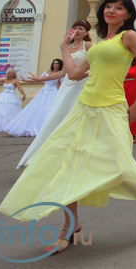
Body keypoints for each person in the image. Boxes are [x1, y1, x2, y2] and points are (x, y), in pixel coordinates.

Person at [0, 0, 136, 253]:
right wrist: (65, 49)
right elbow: (75, 74)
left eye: (119, 8)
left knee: (121, 165)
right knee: (66, 166)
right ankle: (71, 226)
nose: (111, 11)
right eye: (108, 7)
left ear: (128, 15)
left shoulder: (129, 37)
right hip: (84, 108)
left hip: (111, 107)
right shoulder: (99, 44)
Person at [17, 20, 93, 169]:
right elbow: (63, 72)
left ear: (86, 33)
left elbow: (96, 65)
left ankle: (78, 156)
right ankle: (50, 156)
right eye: (75, 27)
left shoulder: (88, 46)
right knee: (57, 117)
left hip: (81, 85)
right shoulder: (68, 47)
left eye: (81, 29)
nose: (77, 31)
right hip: (67, 86)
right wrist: (41, 78)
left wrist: (83, 75)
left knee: (78, 119)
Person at [7, 59, 64, 137]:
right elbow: (38, 79)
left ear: (60, 65)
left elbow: (60, 84)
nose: (55, 65)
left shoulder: (61, 73)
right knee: (37, 108)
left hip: (53, 92)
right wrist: (27, 81)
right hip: (44, 91)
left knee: (49, 109)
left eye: (57, 64)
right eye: (54, 63)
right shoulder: (47, 72)